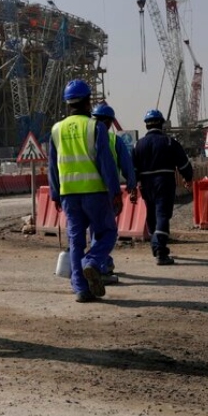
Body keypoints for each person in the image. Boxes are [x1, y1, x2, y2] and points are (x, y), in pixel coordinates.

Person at [48, 80, 123, 303]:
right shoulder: (95, 126)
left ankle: (81, 289)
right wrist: (114, 190)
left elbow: (52, 165)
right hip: (95, 192)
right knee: (107, 233)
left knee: (76, 241)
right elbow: (106, 162)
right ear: (88, 101)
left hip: (68, 194)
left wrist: (55, 194)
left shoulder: (56, 129)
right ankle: (92, 262)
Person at [133, 109, 194, 265]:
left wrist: (133, 187)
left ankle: (156, 243)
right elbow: (184, 164)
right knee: (162, 214)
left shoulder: (138, 145)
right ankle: (160, 249)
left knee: (152, 214)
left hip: (146, 184)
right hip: (164, 182)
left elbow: (132, 169)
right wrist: (188, 178)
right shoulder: (169, 142)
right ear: (162, 124)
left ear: (146, 125)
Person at [90, 103, 138, 284]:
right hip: (105, 192)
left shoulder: (83, 137)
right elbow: (127, 166)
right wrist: (132, 186)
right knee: (106, 231)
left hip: (81, 193)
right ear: (110, 122)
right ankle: (99, 267)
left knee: (94, 230)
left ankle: (104, 263)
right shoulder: (113, 140)